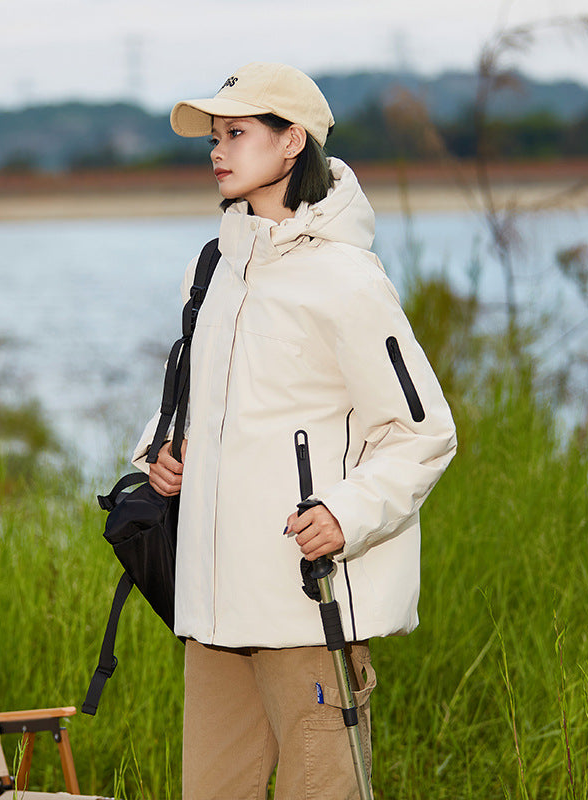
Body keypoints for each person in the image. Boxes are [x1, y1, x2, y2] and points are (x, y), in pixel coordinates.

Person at [131, 62, 457, 800]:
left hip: (305, 606)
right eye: (214, 136)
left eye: (237, 133)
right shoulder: (213, 266)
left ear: (291, 144)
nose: (218, 150)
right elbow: (192, 397)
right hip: (211, 611)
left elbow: (422, 431)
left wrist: (346, 513)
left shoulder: (348, 279)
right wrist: (161, 448)